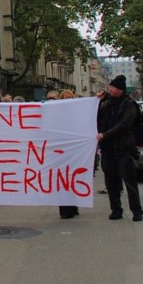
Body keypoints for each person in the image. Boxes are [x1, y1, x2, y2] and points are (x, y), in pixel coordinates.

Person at [97, 75, 143, 222]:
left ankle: (137, 211)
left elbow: (125, 124)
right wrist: (96, 100)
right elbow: (95, 116)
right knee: (111, 181)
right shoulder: (106, 103)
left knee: (129, 181)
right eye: (110, 87)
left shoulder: (129, 104)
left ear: (121, 90)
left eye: (113, 87)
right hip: (108, 149)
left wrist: (105, 135)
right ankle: (116, 210)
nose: (110, 89)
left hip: (124, 147)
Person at [55, 89, 80, 220]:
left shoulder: (77, 113)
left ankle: (73, 206)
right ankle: (65, 209)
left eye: (70, 97)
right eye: (65, 98)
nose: (67, 100)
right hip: (60, 151)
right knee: (62, 180)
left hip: (73, 151)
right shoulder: (56, 114)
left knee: (72, 179)